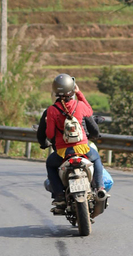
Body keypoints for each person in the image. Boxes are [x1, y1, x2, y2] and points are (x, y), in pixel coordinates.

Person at [37, 73, 105, 210]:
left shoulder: (51, 110)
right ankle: (99, 188)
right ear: (72, 89)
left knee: (50, 164)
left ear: (55, 90)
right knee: (96, 158)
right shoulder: (79, 105)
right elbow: (90, 111)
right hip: (83, 149)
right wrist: (79, 93)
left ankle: (59, 196)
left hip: (63, 153)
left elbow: (49, 134)